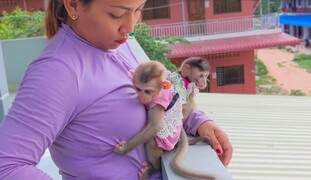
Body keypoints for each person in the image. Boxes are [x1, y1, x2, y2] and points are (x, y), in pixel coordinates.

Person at [0, 0, 233, 179]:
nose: (130, 26)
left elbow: (162, 96)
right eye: (117, 14)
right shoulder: (58, 72)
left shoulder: (125, 45)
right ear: (73, 4)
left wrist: (198, 121)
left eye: (139, 9)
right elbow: (6, 165)